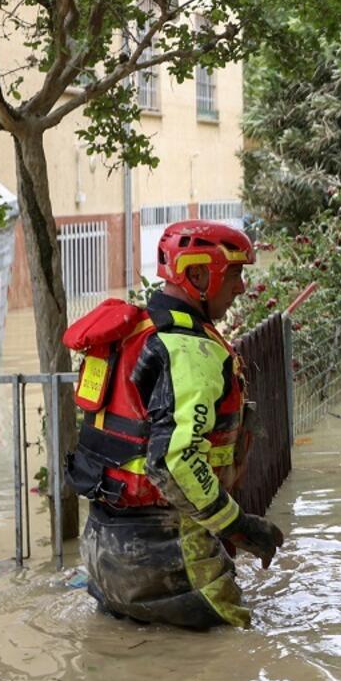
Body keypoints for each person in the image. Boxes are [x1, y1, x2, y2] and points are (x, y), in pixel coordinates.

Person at [64, 220, 285, 629]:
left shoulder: (133, 333)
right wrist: (240, 526)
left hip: (100, 557)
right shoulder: (189, 350)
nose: (240, 287)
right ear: (197, 273)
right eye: (235, 273)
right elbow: (173, 461)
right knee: (243, 655)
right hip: (166, 557)